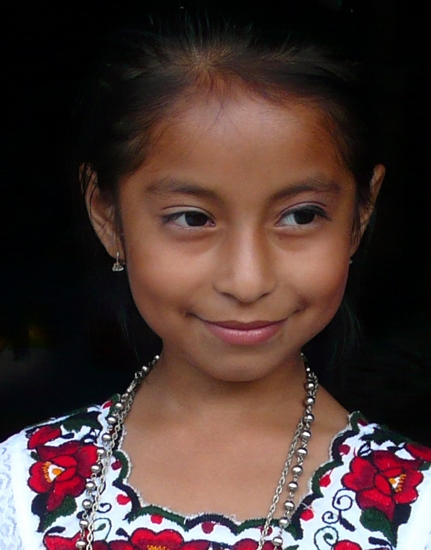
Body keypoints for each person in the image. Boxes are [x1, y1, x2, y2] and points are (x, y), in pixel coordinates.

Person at [1, 15, 430, 550]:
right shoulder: (17, 489)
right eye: (192, 218)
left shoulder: (417, 511)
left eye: (301, 216)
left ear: (361, 214)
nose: (247, 281)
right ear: (107, 216)